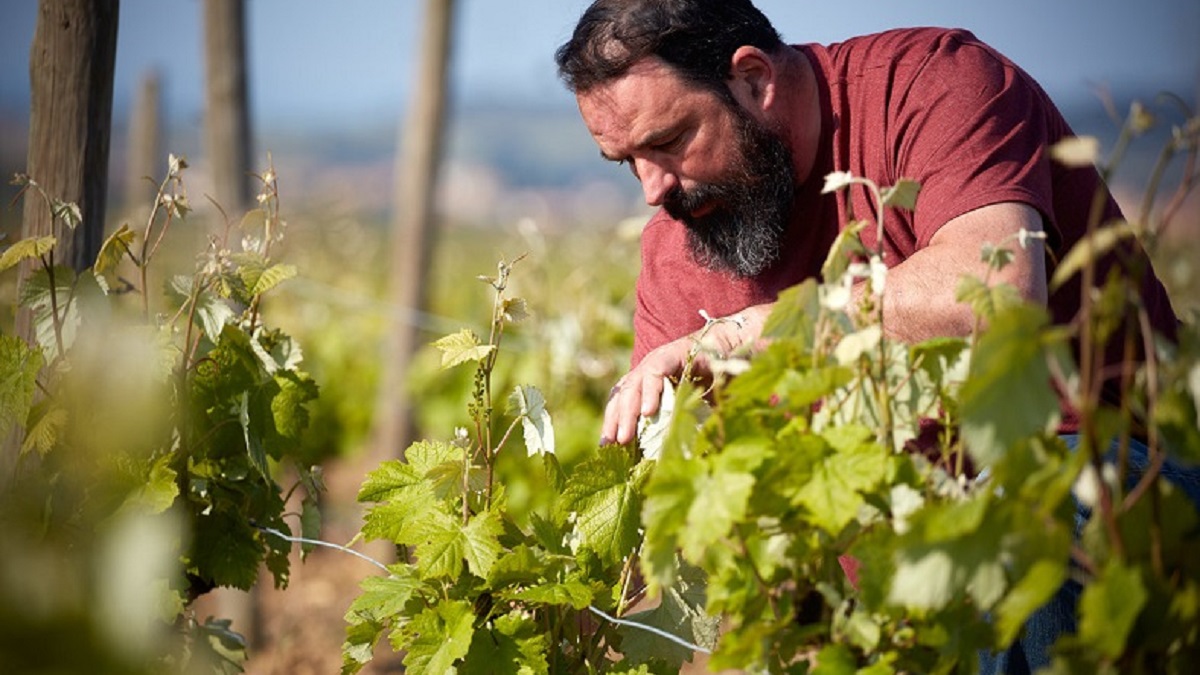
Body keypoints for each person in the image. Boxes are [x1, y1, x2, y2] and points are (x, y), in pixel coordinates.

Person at [555, 0, 1187, 672]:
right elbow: (704, 534)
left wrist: (752, 333)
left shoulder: (934, 85)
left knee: (1043, 508)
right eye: (626, 162)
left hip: (1116, 518)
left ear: (752, 79)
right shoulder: (675, 252)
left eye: (667, 141)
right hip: (880, 615)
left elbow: (996, 294)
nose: (652, 189)